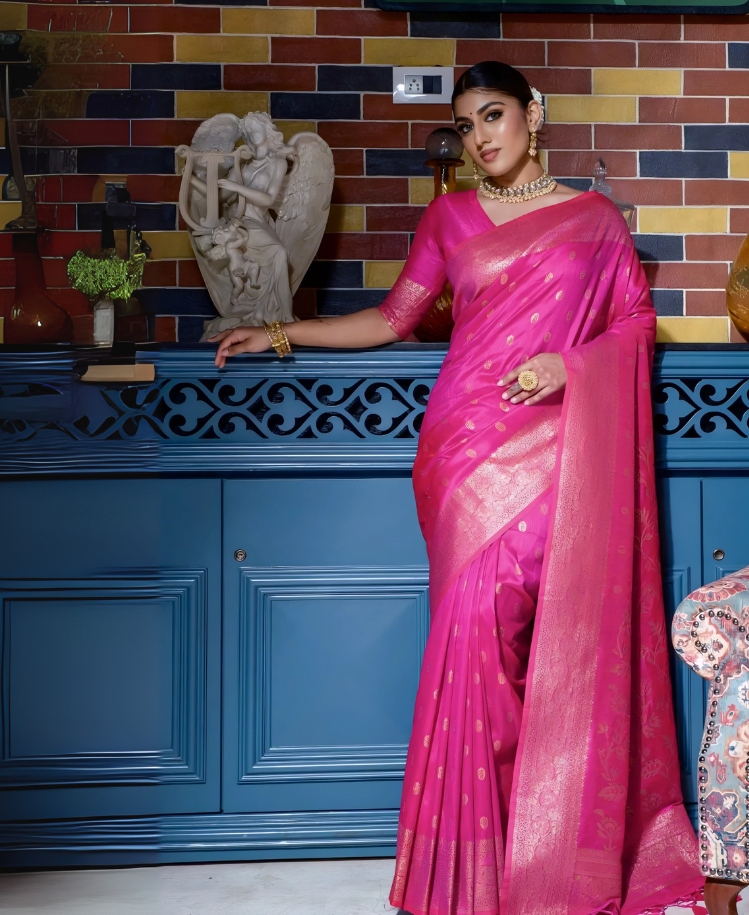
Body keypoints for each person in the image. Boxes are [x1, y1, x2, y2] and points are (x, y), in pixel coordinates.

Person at [212, 61, 705, 914]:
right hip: (466, 450)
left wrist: (570, 365)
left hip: (559, 452)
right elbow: (393, 319)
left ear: (533, 115)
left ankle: (544, 854)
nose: (480, 138)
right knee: (474, 647)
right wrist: (282, 333)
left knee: (552, 647)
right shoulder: (449, 217)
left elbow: (633, 322)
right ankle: (477, 869)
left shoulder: (594, 222)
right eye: (467, 125)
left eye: (494, 116)